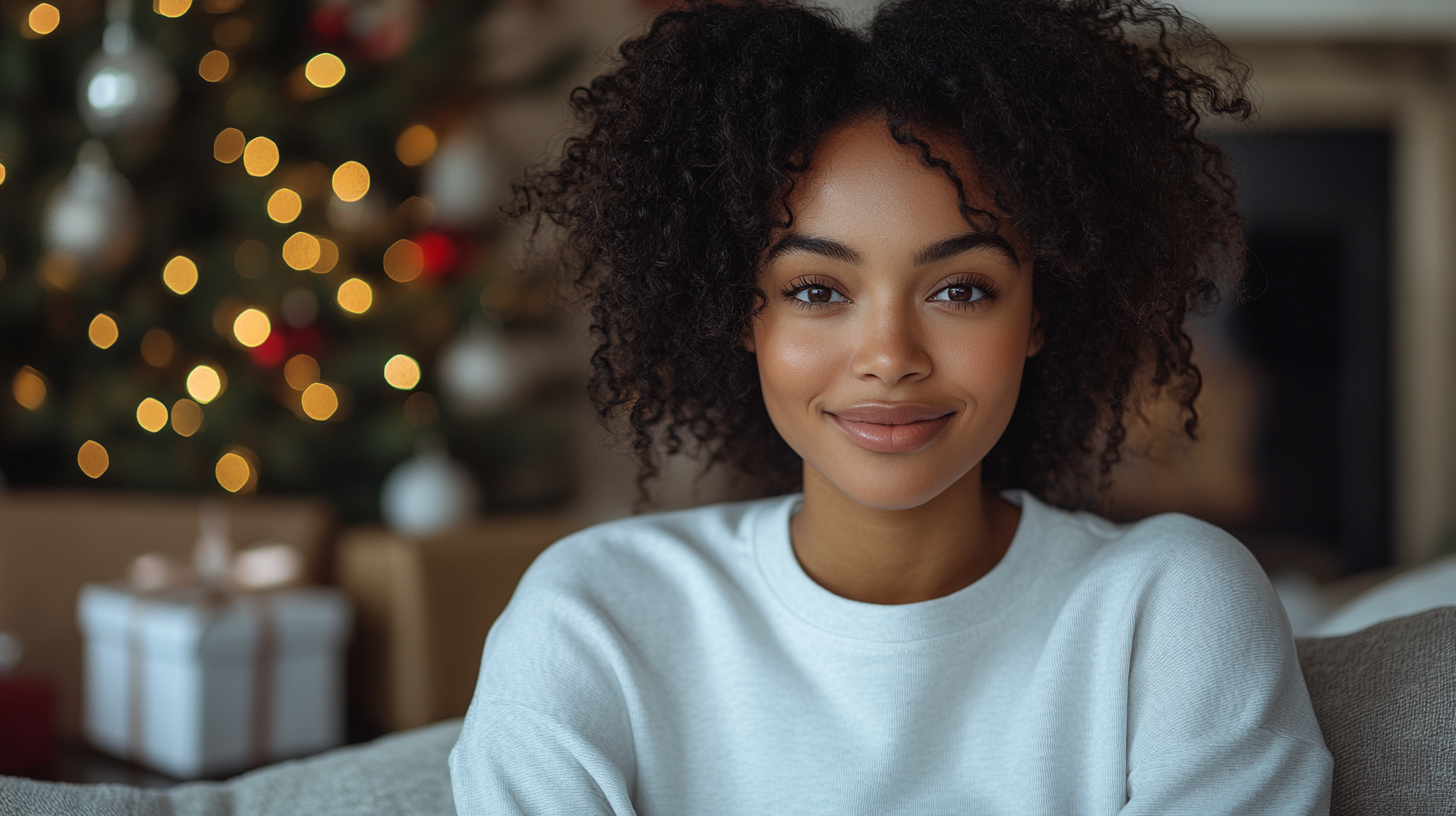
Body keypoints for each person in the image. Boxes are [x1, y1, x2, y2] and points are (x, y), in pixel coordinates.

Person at [449, 1, 1334, 813]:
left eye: (959, 290)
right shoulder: (594, 617)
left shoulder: (1168, 608)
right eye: (817, 291)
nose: (889, 359)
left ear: (1042, 311)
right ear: (738, 311)